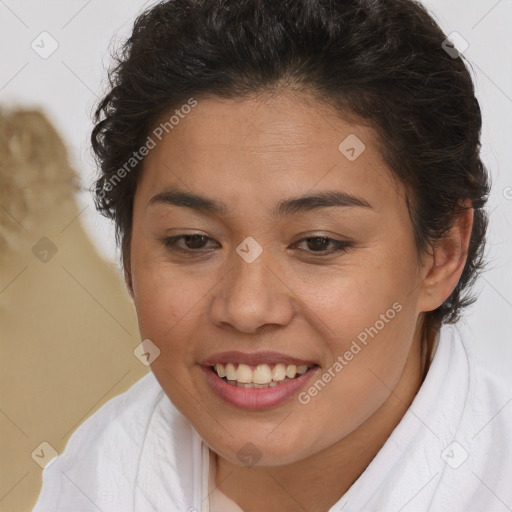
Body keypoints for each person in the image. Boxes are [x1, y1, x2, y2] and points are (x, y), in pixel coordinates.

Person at [32, 0, 512, 511]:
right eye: (193, 241)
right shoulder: (94, 475)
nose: (247, 308)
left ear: (441, 254)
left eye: (318, 243)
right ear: (128, 255)